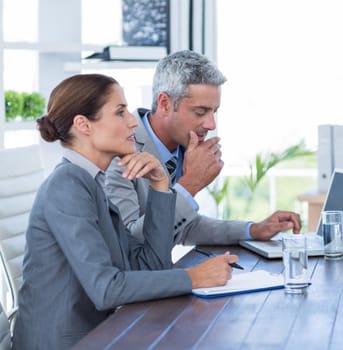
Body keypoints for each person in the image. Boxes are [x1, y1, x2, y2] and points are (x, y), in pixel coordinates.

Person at [12, 74, 239, 350]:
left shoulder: (94, 182)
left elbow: (150, 265)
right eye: (120, 112)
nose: (133, 120)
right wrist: (194, 277)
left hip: (102, 334)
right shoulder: (67, 185)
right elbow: (106, 288)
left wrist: (160, 188)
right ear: (83, 125)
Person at [105, 50, 301, 248]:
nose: (210, 124)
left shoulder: (182, 148)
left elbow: (183, 226)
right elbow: (130, 244)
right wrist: (190, 184)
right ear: (164, 104)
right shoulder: (119, 153)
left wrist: (252, 230)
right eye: (201, 112)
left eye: (214, 111)